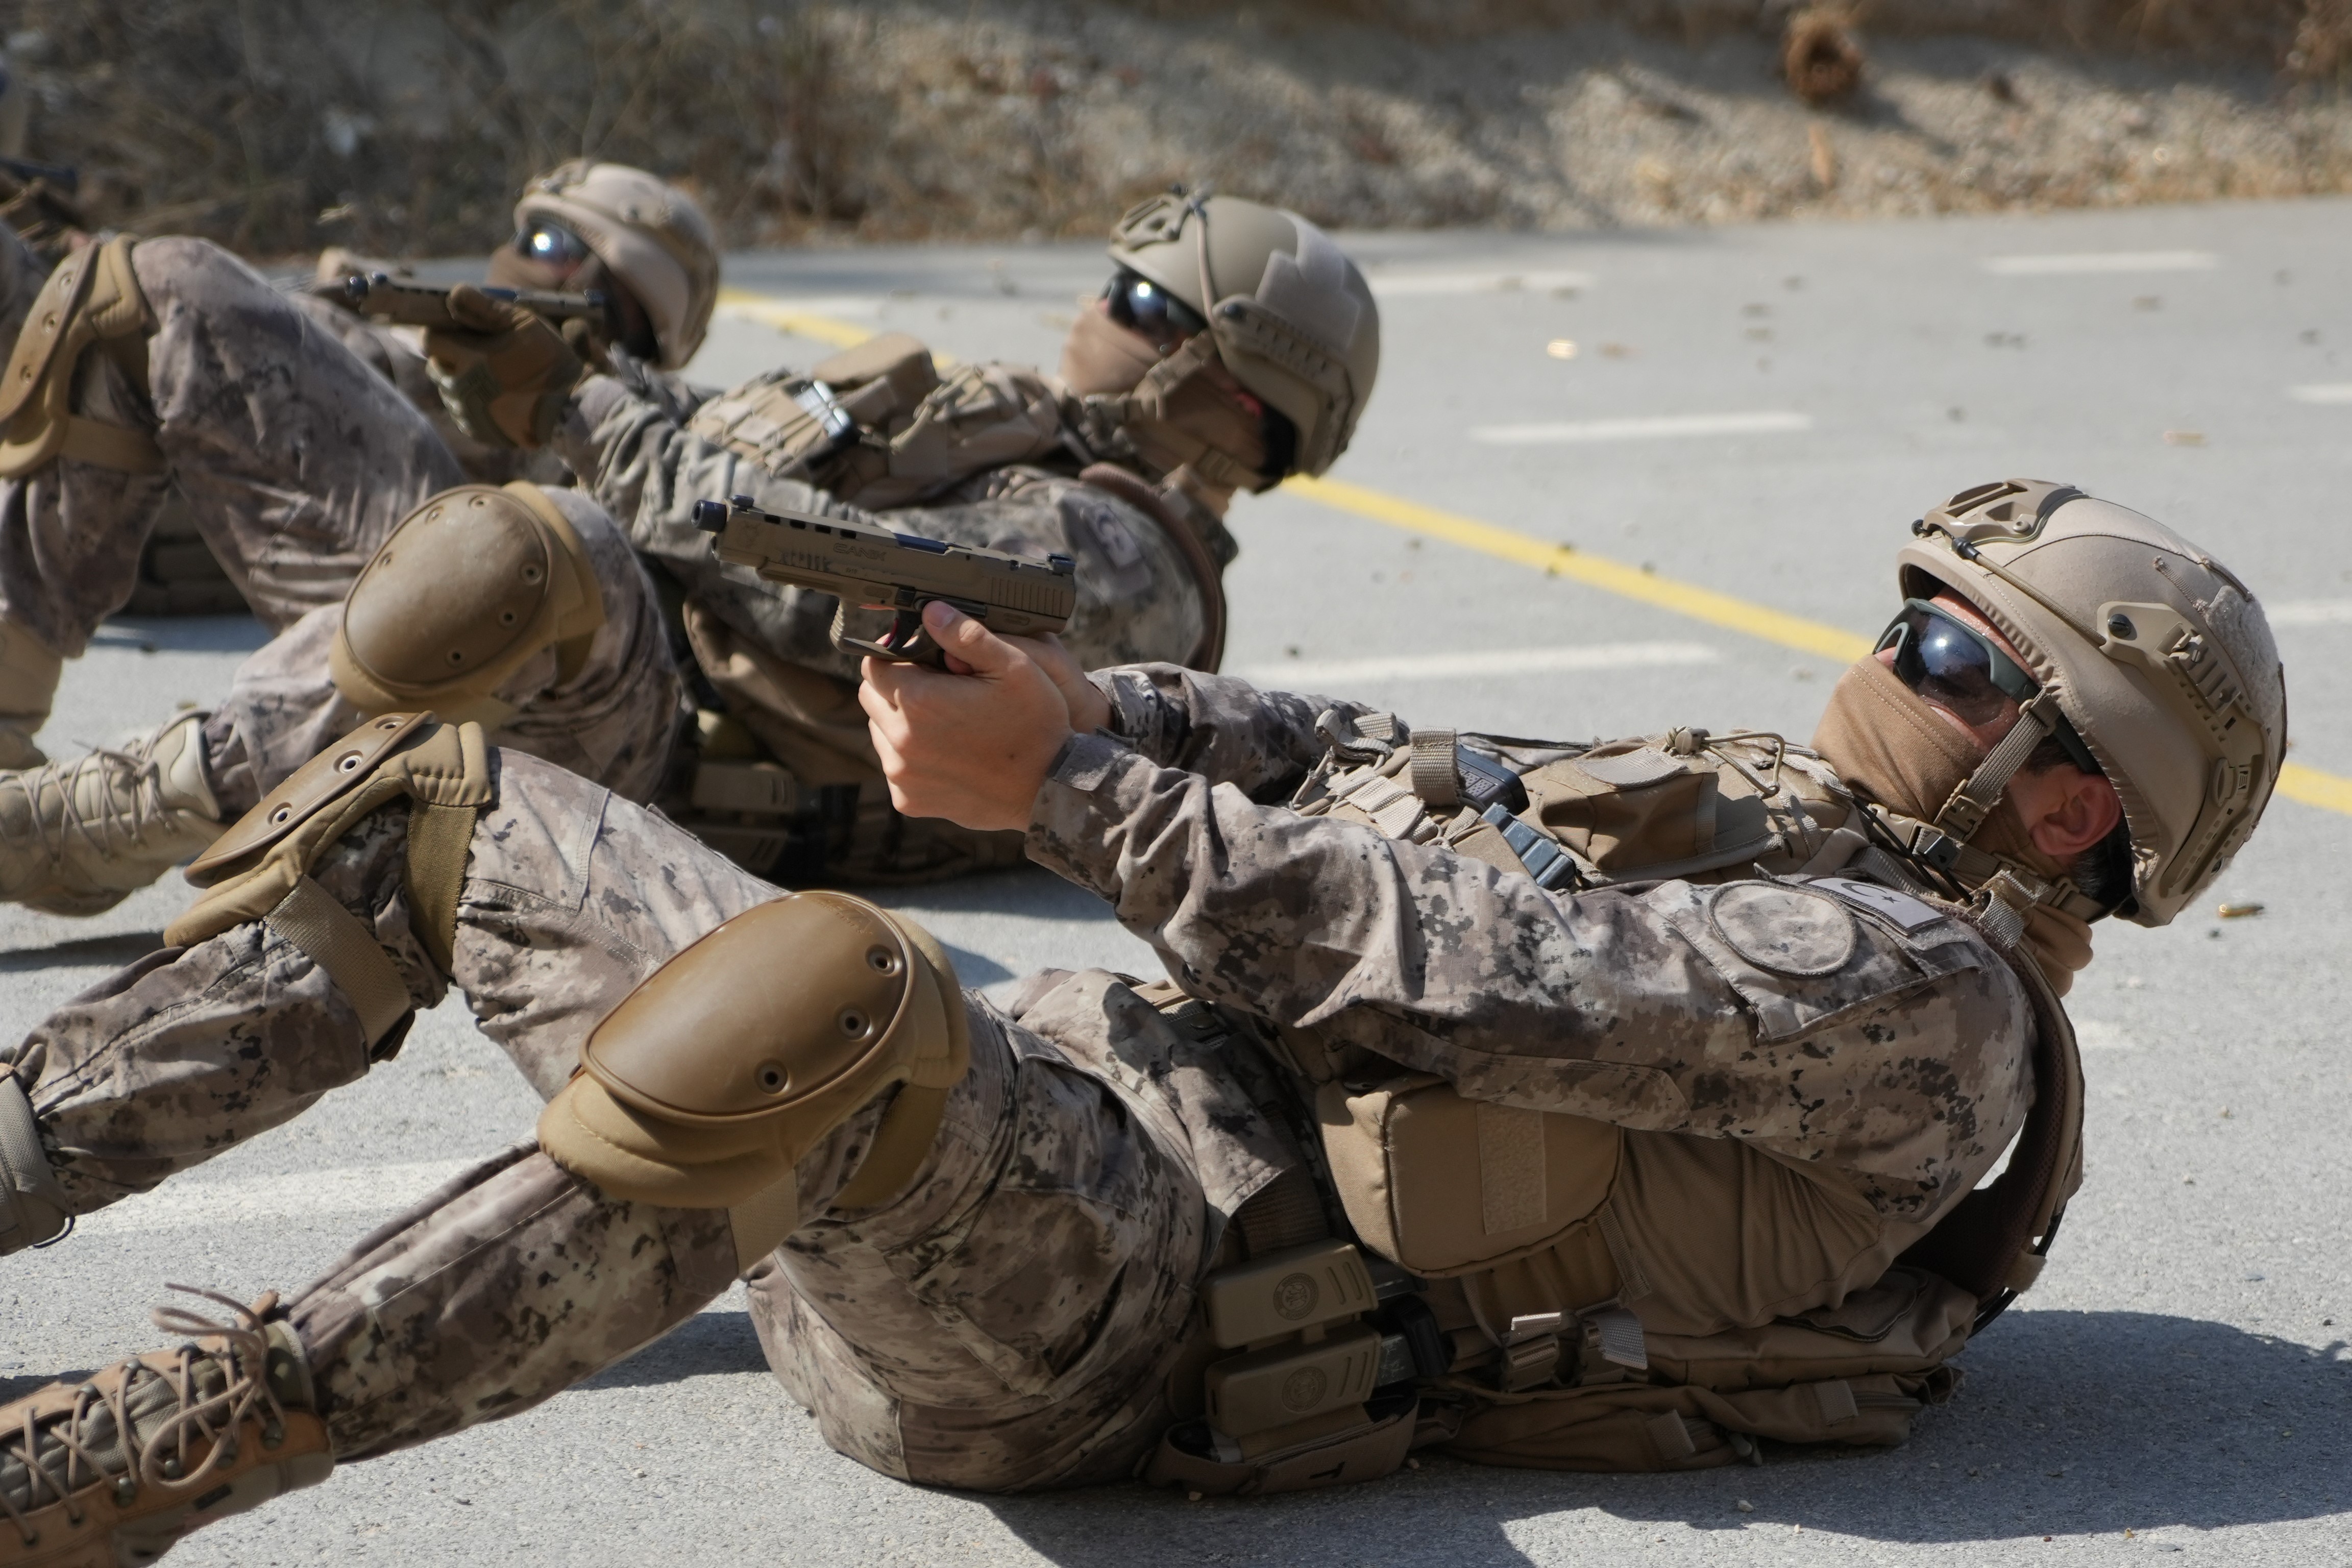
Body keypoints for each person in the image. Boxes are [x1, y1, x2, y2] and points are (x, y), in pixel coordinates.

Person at [0, 481, 2283, 1560]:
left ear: (2071, 798)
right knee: (449, 812)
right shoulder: (1764, 816)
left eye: (1961, 658)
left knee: (831, 987)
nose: (1897, 655)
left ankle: (153, 1459)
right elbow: (1377, 754)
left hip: (1127, 1325)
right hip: (1016, 1155)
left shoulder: (1928, 1009)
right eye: (1916, 613)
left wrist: (1066, 796)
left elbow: (1466, 963)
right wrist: (1094, 697)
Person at [431, 190, 1382, 882]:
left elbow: (813, 574)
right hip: (632, 662)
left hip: (668, 740)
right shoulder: (1036, 447)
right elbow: (750, 436)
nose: (1095, 310)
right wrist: (567, 369)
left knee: (546, 546)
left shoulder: (1124, 559)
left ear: (1229, 390)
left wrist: (584, 410)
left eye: (1137, 304)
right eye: (1110, 286)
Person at [0, 479, 681, 916]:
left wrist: (622, 424)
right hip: (519, 567)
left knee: (538, 542)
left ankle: (129, 807)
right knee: (150, 288)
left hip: (636, 727)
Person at [294, 160, 721, 488]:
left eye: (551, 246)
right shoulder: (387, 334)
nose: (519, 257)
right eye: (533, 237)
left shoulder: (607, 444)